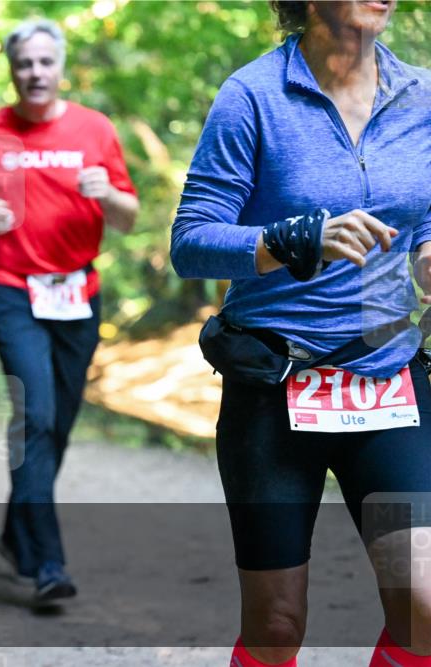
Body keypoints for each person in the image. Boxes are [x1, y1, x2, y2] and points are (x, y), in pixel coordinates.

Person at [171, 1, 430, 665]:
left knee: (424, 605)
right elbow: (191, 242)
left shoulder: (422, 96)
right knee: (277, 623)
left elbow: (424, 218)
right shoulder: (252, 97)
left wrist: (428, 255)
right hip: (276, 383)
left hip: (387, 377)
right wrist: (294, 239)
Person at [0, 19, 139, 603]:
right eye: (24, 63)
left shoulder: (94, 129)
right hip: (9, 287)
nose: (35, 72)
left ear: (60, 68)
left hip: (77, 291)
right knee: (36, 414)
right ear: (12, 70)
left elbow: (128, 218)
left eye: (44, 62)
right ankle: (48, 563)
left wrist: (106, 193)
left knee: (59, 423)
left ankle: (14, 532)